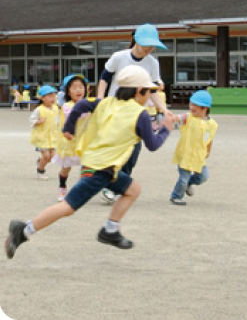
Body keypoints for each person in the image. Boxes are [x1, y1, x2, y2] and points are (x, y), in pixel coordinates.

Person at [4, 66, 175, 259]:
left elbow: (82, 105)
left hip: (101, 165)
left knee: (133, 189)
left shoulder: (106, 102)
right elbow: (152, 144)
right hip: (101, 169)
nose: (150, 95)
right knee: (67, 207)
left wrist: (70, 127)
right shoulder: (140, 114)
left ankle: (110, 230)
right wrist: (166, 128)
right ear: (139, 91)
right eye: (149, 91)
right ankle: (24, 230)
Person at [96, 23, 173, 203]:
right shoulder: (119, 57)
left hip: (137, 111)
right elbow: (104, 78)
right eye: (147, 44)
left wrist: (164, 110)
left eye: (152, 45)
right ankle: (110, 184)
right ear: (136, 40)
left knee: (134, 150)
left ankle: (119, 184)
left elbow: (152, 91)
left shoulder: (152, 63)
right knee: (115, 147)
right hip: (115, 109)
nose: (149, 49)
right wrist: (100, 99)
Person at [169, 90, 218, 206]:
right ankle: (176, 196)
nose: (191, 107)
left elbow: (209, 139)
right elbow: (179, 118)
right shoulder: (188, 117)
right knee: (183, 178)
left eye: (195, 106)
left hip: (198, 156)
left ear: (204, 108)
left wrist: (208, 151)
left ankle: (189, 184)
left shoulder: (212, 125)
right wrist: (172, 117)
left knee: (203, 176)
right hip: (184, 154)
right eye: (191, 104)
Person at [51, 74, 89, 202]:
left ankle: (80, 190)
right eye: (74, 88)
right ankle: (62, 187)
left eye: (81, 87)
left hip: (84, 142)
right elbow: (77, 116)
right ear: (68, 91)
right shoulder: (68, 106)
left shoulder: (89, 103)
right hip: (69, 142)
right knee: (66, 167)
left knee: (86, 166)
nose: (78, 90)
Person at [29, 85, 59, 180]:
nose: (53, 98)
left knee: (53, 157)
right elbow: (31, 120)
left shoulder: (56, 108)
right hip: (42, 137)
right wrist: (38, 122)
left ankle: (40, 161)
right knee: (46, 156)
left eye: (54, 96)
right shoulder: (39, 110)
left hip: (53, 137)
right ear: (42, 98)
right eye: (50, 96)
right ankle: (40, 171)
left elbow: (59, 121)